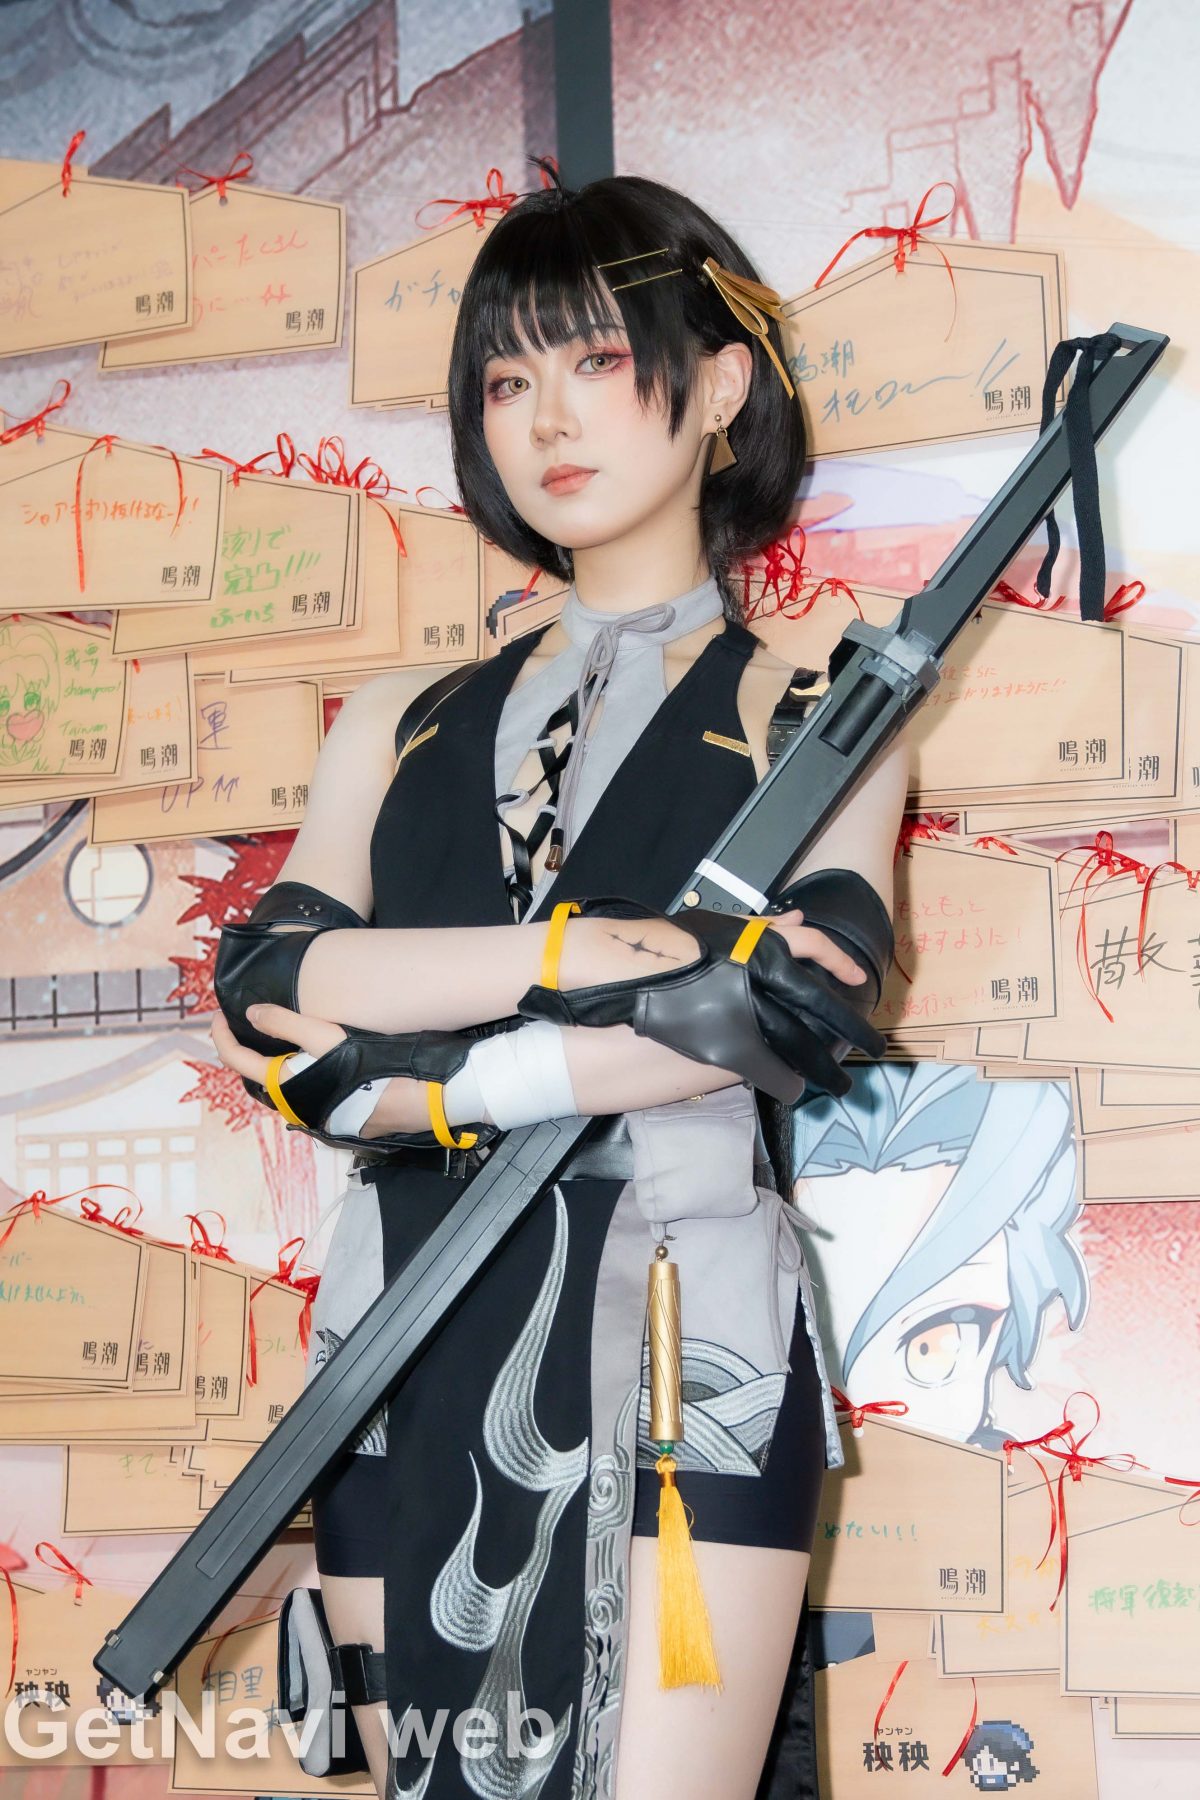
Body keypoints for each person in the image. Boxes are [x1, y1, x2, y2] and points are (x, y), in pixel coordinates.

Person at [209, 167, 909, 1800]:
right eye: (507, 378)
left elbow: (779, 1009)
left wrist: (428, 1075)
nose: (547, 418)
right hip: (398, 1334)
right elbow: (269, 989)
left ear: (719, 384)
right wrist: (567, 958)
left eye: (597, 360)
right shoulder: (400, 718)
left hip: (682, 1328)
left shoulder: (821, 701)